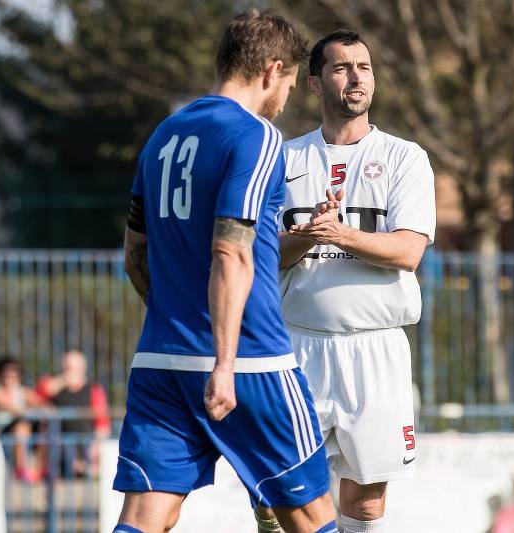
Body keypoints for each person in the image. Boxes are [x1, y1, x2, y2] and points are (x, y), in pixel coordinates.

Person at [113, 10, 336, 533]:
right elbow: (230, 252)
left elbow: (134, 255)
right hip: (249, 362)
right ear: (271, 70)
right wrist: (224, 361)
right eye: (287, 84)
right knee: (310, 518)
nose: (285, 100)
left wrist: (181, 322)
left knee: (145, 518)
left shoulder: (162, 138)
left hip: (160, 362)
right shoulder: (257, 137)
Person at [275, 30, 436, 533]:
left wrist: (340, 233)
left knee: (365, 502)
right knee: (285, 497)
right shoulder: (284, 159)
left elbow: (408, 251)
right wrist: (306, 237)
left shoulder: (405, 157)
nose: (356, 77)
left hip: (375, 350)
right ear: (315, 84)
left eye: (364, 67)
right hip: (298, 347)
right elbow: (260, 256)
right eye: (342, 68)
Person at [36, 350, 111, 477]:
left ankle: (83, 468)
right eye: (68, 368)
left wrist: (95, 448)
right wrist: (62, 381)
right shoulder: (55, 387)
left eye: (76, 368)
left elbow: (103, 425)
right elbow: (38, 396)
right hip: (58, 445)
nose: (72, 372)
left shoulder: (94, 390)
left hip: (86, 445)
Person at [0, 357, 47, 482]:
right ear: (0, 376)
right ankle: (21, 469)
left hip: (21, 428)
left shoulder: (22, 391)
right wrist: (30, 408)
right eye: (7, 376)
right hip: (1, 432)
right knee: (22, 426)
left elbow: (43, 404)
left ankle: (42, 468)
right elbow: (12, 408)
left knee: (43, 425)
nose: (11, 379)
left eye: (15, 376)